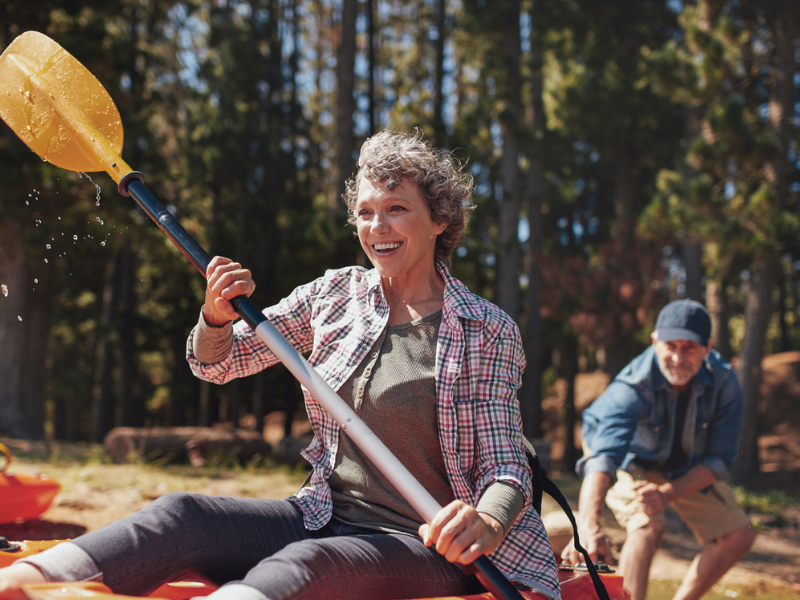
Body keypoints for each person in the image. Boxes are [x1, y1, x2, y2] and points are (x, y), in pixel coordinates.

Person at [0, 130, 559, 600]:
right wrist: (215, 319)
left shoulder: (485, 328)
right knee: (181, 515)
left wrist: (484, 521)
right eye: (365, 213)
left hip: (430, 545)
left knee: (305, 564)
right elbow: (221, 365)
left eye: (396, 209)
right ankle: (20, 587)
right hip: (322, 513)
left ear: (439, 220)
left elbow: (505, 466)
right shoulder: (335, 295)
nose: (376, 227)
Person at [561, 300, 756, 600]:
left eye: (689, 347)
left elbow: (718, 461)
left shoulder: (725, 381)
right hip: (627, 457)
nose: (678, 357)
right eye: (670, 345)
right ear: (655, 342)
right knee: (647, 524)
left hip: (680, 464)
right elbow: (603, 457)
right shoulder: (634, 384)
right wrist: (588, 525)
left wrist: (667, 493)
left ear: (707, 348)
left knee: (739, 534)